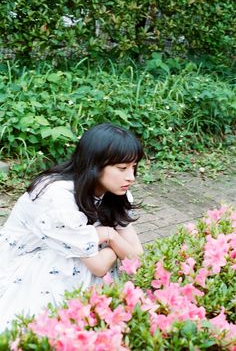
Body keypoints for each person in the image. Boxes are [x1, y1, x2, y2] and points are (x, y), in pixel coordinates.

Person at [0, 123, 144, 331]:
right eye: (122, 168)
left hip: (70, 259)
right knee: (74, 260)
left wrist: (109, 236)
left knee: (88, 253)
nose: (131, 177)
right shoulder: (57, 196)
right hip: (27, 265)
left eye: (134, 167)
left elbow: (136, 256)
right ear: (94, 164)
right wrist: (111, 241)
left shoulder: (116, 193)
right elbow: (98, 265)